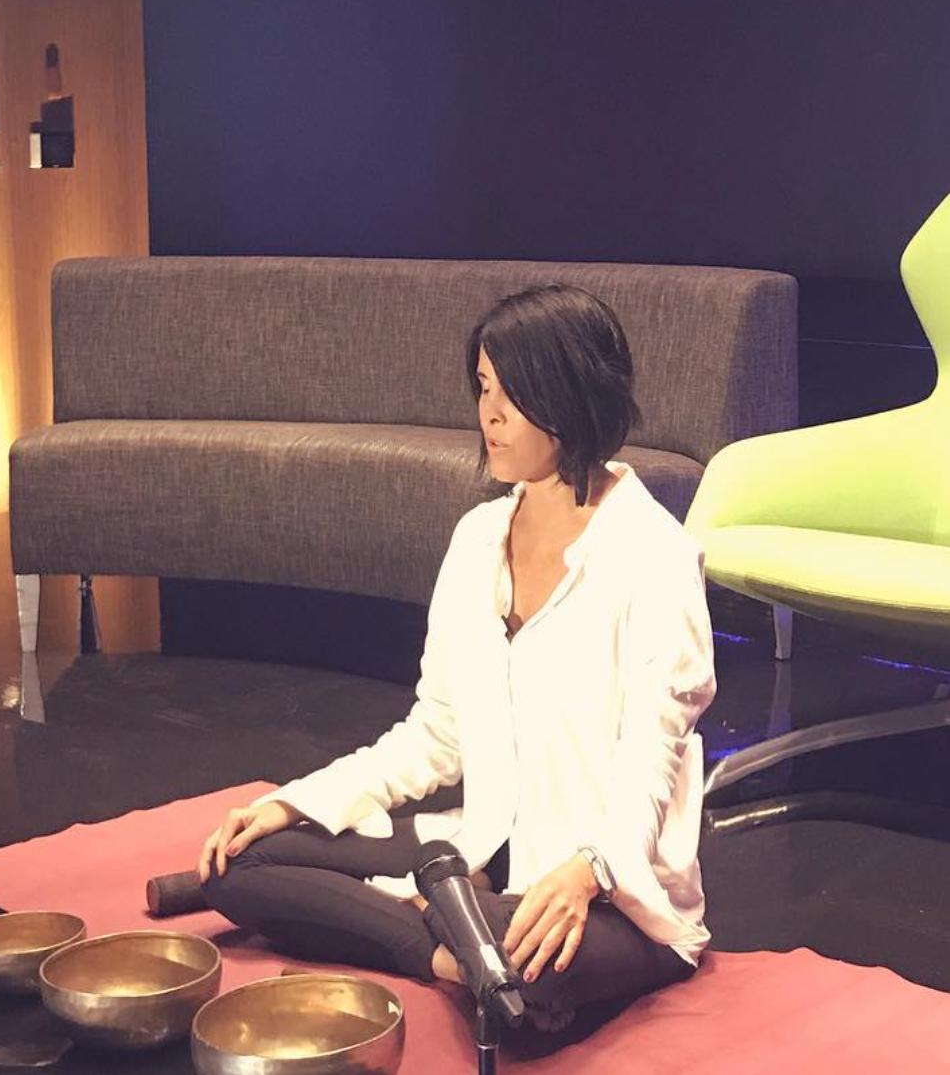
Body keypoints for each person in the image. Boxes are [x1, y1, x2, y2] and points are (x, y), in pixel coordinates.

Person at [198, 283, 717, 1036]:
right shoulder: (477, 539)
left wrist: (589, 869)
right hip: (482, 850)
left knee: (531, 968)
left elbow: (652, 756)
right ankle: (453, 953)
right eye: (483, 388)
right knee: (243, 862)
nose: (489, 415)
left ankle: (454, 939)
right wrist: (295, 801)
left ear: (572, 395)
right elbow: (435, 733)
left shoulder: (655, 556)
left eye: (513, 393)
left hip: (613, 897)